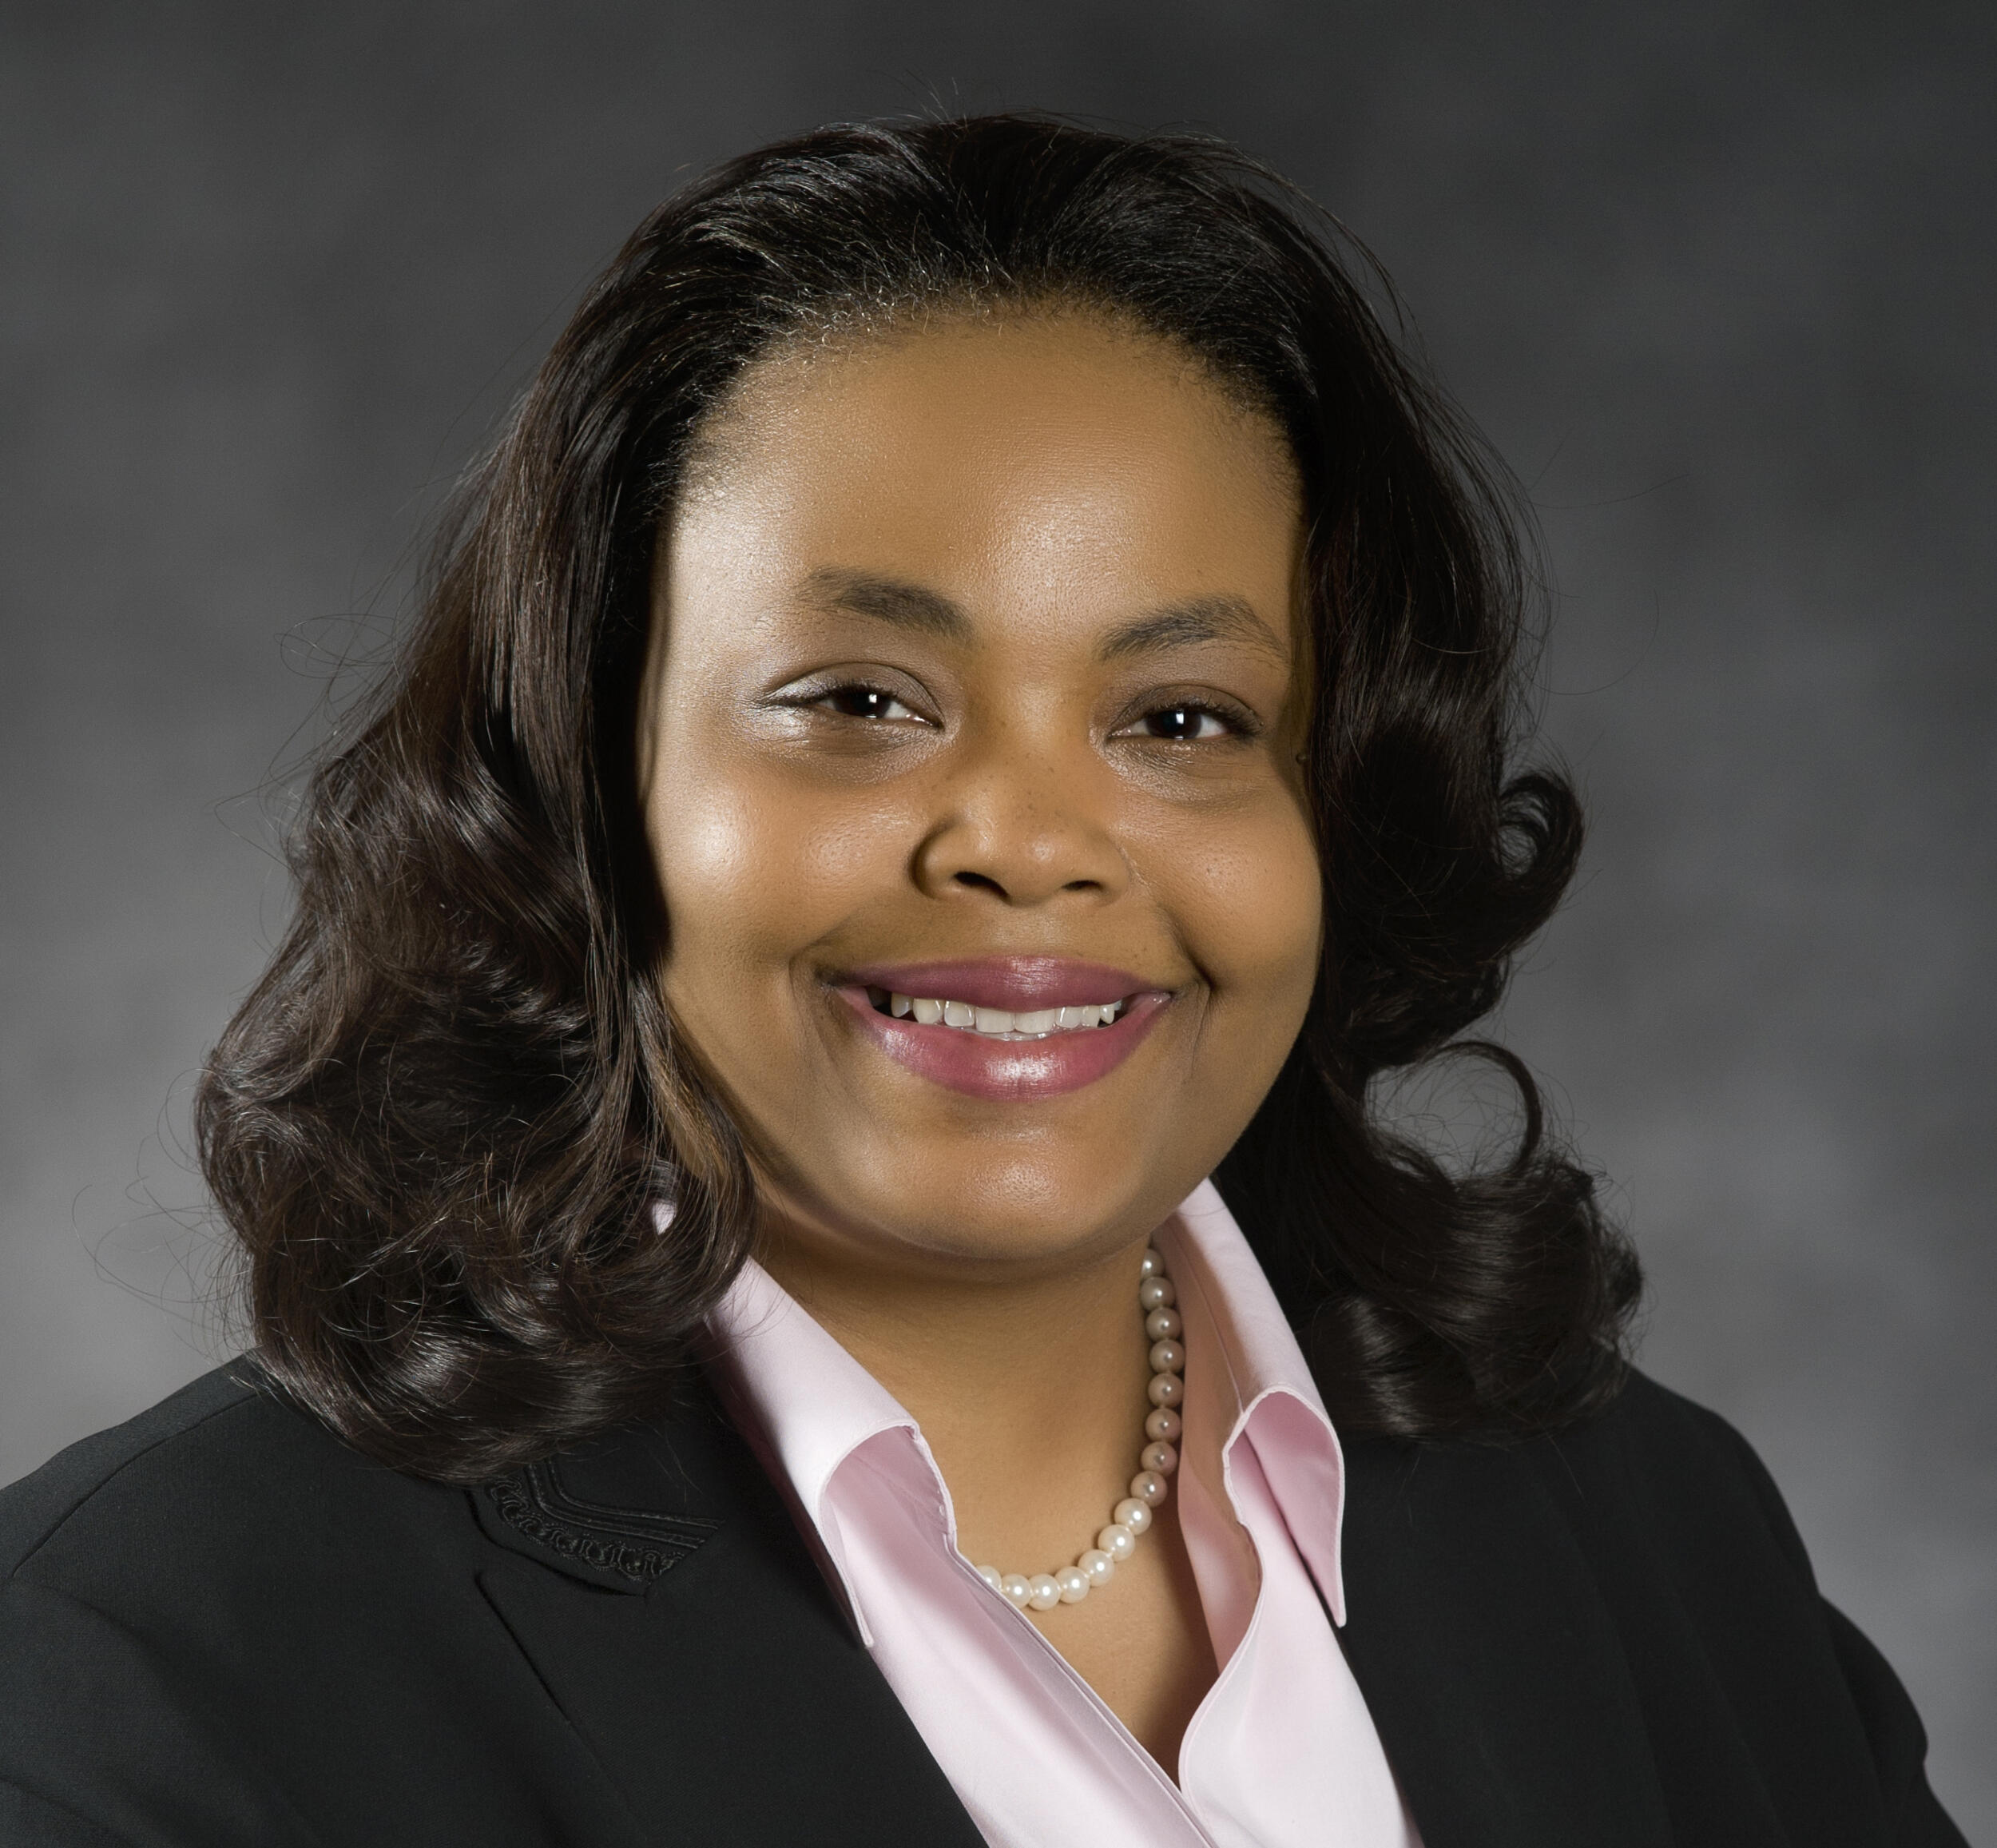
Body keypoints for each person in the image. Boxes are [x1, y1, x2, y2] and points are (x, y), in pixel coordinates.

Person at [0, 114, 1963, 1848]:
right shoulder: (145, 1669)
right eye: (858, 700)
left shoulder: (1650, 1532)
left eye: (1181, 716)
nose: (1027, 841)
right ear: (586, 787)